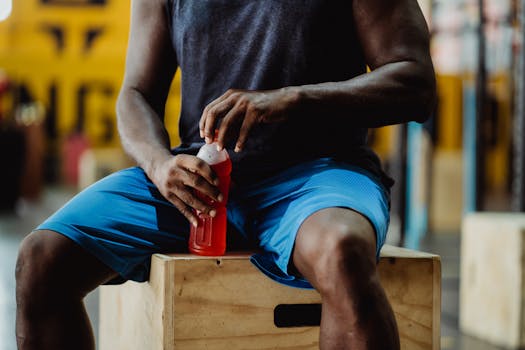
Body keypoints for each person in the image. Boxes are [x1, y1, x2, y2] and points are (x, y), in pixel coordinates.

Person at [15, 0, 436, 349]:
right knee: (42, 260)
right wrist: (160, 165)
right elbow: (136, 93)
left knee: (341, 251)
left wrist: (293, 98)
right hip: (200, 180)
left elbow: (414, 83)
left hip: (320, 175)